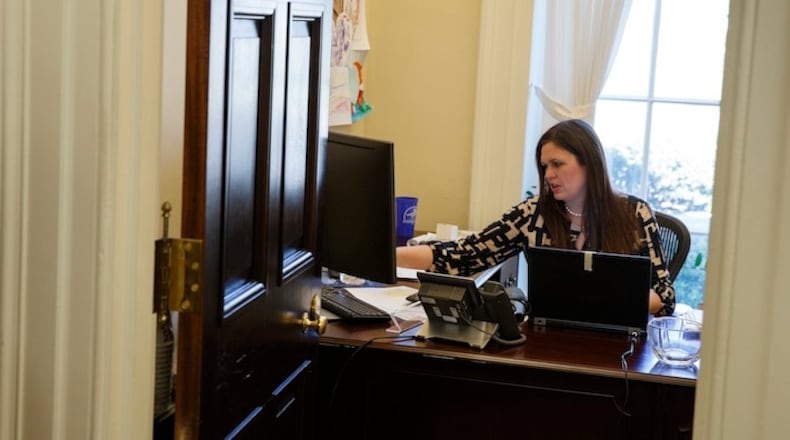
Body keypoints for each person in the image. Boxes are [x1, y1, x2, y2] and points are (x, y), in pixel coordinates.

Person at [397, 118, 675, 316]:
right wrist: (388, 255)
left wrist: (609, 301)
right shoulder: (532, 214)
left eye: (557, 164)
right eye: (544, 167)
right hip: (550, 338)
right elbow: (464, 254)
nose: (548, 175)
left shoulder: (635, 214)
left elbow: (664, 296)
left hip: (619, 344)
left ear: (589, 163)